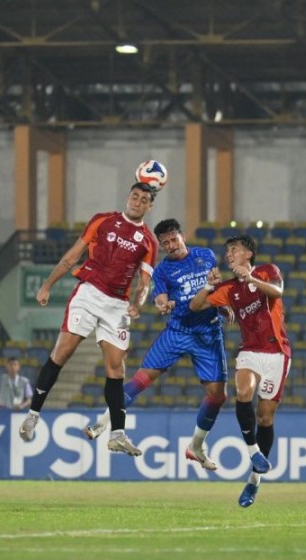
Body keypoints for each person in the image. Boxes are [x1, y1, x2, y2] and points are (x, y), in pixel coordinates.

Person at [18, 181, 159, 456]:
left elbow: (144, 284)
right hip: (88, 293)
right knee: (61, 353)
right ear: (128, 197)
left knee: (116, 369)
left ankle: (117, 434)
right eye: (135, 196)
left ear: (150, 206)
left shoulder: (149, 242)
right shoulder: (102, 220)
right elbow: (72, 256)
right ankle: (33, 414)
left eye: (144, 200)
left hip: (117, 304)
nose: (138, 202)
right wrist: (47, 284)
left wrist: (137, 304)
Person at [84, 218, 230, 470]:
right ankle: (104, 421)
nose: (171, 246)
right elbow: (160, 297)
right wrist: (163, 304)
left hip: (208, 333)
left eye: (174, 239)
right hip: (178, 330)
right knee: (141, 378)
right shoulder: (162, 270)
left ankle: (196, 446)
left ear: (183, 236)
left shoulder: (205, 255)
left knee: (218, 396)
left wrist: (224, 305)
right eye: (165, 243)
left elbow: (215, 290)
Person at [189, 234, 290, 508]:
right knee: (243, 392)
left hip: (276, 353)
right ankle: (253, 451)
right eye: (227, 251)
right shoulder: (230, 288)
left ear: (248, 254)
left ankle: (254, 481)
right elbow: (195, 306)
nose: (229, 254)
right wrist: (208, 287)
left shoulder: (268, 271)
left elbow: (278, 292)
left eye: (234, 250)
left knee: (265, 418)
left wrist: (251, 279)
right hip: (250, 352)